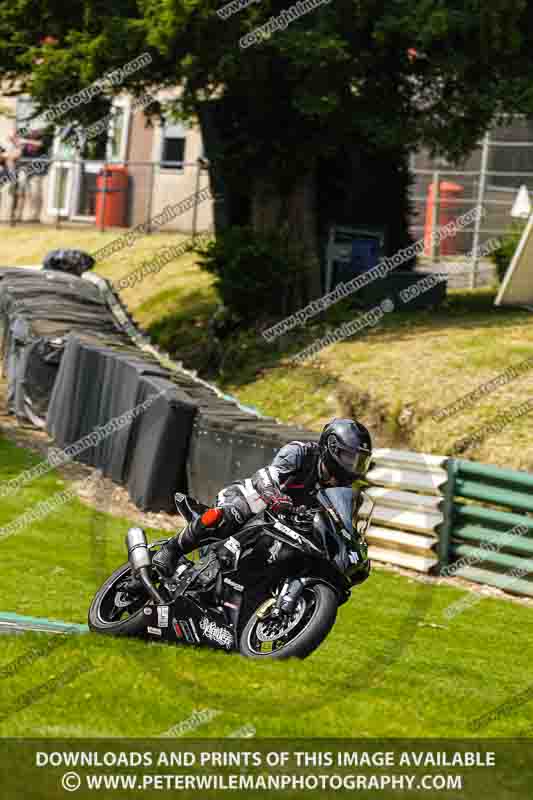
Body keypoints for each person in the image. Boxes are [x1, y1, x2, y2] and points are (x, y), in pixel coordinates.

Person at [153, 417, 373, 578]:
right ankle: (171, 550)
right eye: (350, 458)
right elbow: (265, 477)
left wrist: (355, 550)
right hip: (252, 501)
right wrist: (275, 496)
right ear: (331, 447)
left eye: (359, 462)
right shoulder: (301, 452)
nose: (353, 467)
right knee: (242, 506)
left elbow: (342, 523)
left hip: (286, 528)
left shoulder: (344, 490)